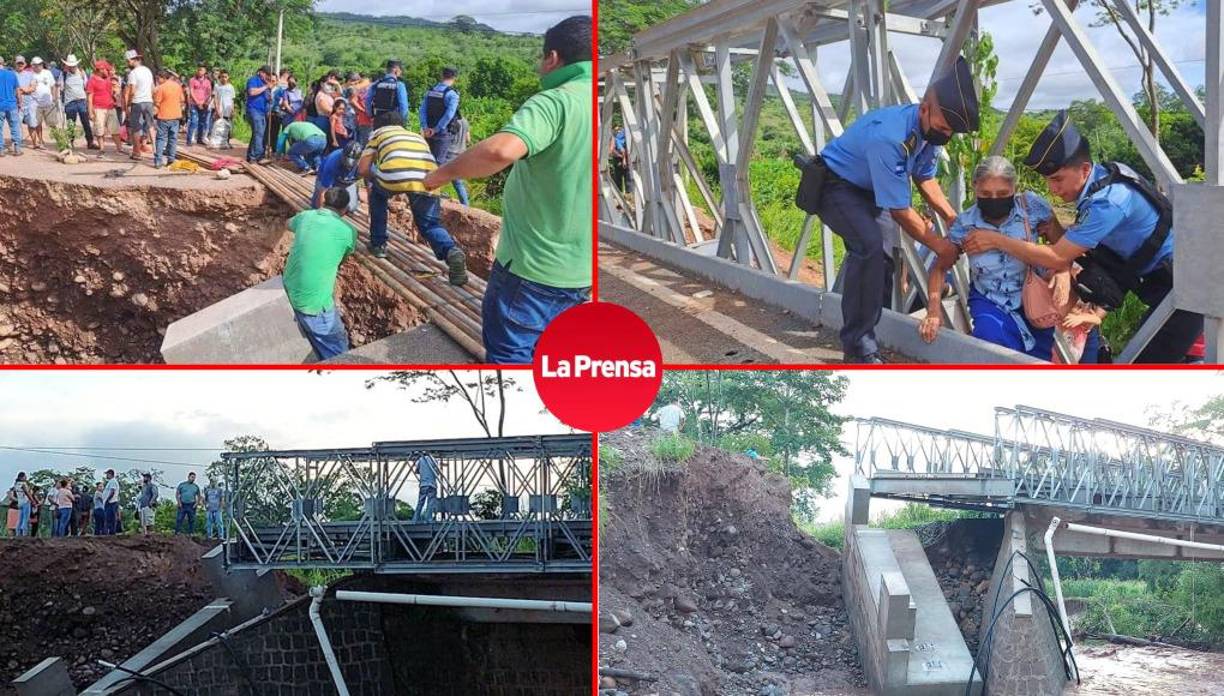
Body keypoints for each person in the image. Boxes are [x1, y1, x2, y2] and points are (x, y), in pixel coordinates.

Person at [963, 110, 1204, 363]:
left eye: (1058, 179)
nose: (1053, 189)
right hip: (1164, 283)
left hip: (1186, 285)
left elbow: (1057, 255)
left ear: (1085, 169)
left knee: (1148, 363)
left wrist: (996, 240)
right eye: (1048, 181)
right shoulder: (1102, 183)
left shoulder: (1108, 202)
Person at [424, 15, 593, 363]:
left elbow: (500, 150)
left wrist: (439, 175)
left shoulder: (557, 101)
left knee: (511, 358)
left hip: (531, 271)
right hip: (580, 275)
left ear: (553, 58)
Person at [800, 57, 978, 363]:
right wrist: (940, 246)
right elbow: (899, 210)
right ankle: (858, 348)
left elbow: (925, 177)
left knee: (882, 257)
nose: (945, 135)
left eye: (950, 132)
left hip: (870, 189)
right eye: (943, 127)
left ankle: (873, 326)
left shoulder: (930, 133)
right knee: (868, 246)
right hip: (835, 185)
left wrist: (952, 217)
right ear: (924, 108)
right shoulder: (891, 138)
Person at [918, 156, 1097, 362]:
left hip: (1033, 302)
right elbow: (940, 268)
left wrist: (1064, 271)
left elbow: (1062, 248)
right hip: (989, 300)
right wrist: (933, 310)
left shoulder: (1031, 208)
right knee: (990, 353)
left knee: (1034, 362)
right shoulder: (965, 225)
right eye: (986, 194)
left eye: (1003, 194)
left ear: (1015, 187)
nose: (994, 199)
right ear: (974, 187)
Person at [358, 110, 468, 285]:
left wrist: (376, 177)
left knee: (378, 197)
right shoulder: (415, 136)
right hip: (429, 177)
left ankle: (378, 244)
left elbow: (363, 168)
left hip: (393, 174)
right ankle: (451, 251)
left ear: (378, 124)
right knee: (430, 224)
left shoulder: (378, 133)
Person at [283, 187, 358, 359]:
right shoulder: (349, 231)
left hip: (289, 293)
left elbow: (288, 224)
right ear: (345, 210)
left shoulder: (305, 216)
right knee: (339, 355)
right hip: (314, 307)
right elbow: (342, 259)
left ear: (323, 202)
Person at [419, 67, 466, 204]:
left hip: (428, 132)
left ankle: (422, 191)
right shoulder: (452, 94)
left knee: (427, 161)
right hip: (442, 134)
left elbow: (422, 110)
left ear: (442, 75)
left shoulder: (431, 91)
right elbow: (449, 115)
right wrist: (437, 129)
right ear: (455, 77)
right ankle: (431, 196)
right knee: (438, 164)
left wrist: (426, 127)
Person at [312, 140, 362, 214]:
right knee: (316, 206)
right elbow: (324, 191)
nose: (348, 165)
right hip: (328, 179)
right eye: (346, 160)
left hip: (347, 182)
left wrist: (371, 213)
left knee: (351, 208)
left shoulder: (365, 164)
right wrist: (322, 215)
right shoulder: (332, 161)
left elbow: (370, 188)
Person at [123, 49, 154, 161]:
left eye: (128, 61)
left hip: (137, 102)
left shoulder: (133, 73)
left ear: (133, 60)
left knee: (135, 128)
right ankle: (156, 152)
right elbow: (152, 88)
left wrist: (129, 104)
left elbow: (132, 90)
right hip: (148, 101)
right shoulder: (148, 71)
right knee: (150, 126)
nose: (127, 63)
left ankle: (136, 152)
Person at [86, 60, 121, 156]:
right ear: (100, 69)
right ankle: (102, 149)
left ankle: (119, 148)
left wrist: (116, 90)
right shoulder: (92, 81)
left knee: (115, 129)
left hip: (110, 107)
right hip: (98, 108)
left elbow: (116, 90)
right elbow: (90, 97)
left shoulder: (109, 79)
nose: (108, 71)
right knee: (99, 129)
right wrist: (90, 111)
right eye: (106, 69)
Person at [60, 55, 94, 149]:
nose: (72, 67)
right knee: (71, 124)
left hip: (81, 101)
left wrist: (88, 101)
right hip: (70, 102)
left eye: (73, 65)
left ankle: (90, 142)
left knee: (86, 123)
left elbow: (87, 87)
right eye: (70, 65)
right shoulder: (63, 75)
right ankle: (70, 143)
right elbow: (60, 87)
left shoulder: (82, 73)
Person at [152, 69, 184, 168]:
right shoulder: (177, 86)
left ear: (162, 78)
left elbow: (157, 103)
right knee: (173, 139)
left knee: (161, 139)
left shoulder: (161, 88)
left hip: (163, 116)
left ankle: (158, 161)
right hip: (176, 116)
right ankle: (171, 159)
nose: (157, 80)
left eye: (158, 78)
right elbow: (182, 100)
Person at [245, 65, 275, 163]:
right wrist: (266, 86)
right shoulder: (253, 80)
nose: (267, 77)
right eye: (266, 74)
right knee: (259, 133)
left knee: (257, 134)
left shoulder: (264, 83)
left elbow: (267, 98)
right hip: (254, 110)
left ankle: (251, 155)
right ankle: (257, 156)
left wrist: (270, 98)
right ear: (261, 72)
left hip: (262, 112)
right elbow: (252, 92)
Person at [25, 57, 57, 149]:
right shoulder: (30, 75)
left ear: (42, 64)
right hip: (35, 103)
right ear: (32, 65)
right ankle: (40, 141)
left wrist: (54, 97)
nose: (38, 66)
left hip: (48, 102)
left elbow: (52, 85)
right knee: (37, 124)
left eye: (40, 64)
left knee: (53, 123)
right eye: (36, 65)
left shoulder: (47, 73)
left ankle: (59, 140)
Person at [445, 115, 471, 205]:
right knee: (459, 183)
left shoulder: (449, 120)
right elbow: (468, 139)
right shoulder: (465, 121)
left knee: (437, 176)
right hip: (461, 154)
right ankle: (466, 205)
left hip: (449, 153)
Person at [0, 56, 22, 156]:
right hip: (12, 105)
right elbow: (17, 90)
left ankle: (1, 149)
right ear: (3, 63)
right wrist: (20, 102)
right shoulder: (12, 74)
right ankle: (17, 148)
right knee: (15, 126)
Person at [186, 65, 212, 146]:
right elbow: (191, 91)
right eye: (199, 70)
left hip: (203, 104)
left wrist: (204, 102)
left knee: (202, 122)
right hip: (194, 104)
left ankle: (199, 139)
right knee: (193, 121)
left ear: (205, 72)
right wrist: (197, 102)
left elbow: (209, 92)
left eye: (202, 70)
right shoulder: (192, 80)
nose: (200, 72)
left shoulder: (207, 81)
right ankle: (189, 140)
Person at [211, 69, 236, 149]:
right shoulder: (217, 86)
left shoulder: (231, 87)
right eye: (222, 77)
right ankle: (218, 142)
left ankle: (226, 142)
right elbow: (215, 98)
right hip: (220, 109)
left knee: (227, 126)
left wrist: (232, 110)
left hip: (228, 110)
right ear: (219, 77)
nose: (224, 78)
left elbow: (232, 99)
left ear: (228, 77)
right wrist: (217, 109)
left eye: (225, 77)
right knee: (218, 126)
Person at [413, 453, 439, 522]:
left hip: (423, 485)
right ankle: (428, 519)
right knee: (430, 502)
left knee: (420, 502)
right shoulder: (434, 460)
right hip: (432, 484)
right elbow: (437, 472)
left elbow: (416, 471)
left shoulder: (420, 460)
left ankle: (415, 519)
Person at [349, 72, 373, 147]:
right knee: (366, 144)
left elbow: (352, 101)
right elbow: (352, 101)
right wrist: (362, 111)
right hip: (365, 120)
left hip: (367, 120)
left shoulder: (366, 88)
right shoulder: (358, 89)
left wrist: (360, 111)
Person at [610, 125, 630, 194]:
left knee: (618, 179)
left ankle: (620, 195)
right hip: (624, 157)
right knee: (627, 178)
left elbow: (612, 150)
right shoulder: (625, 136)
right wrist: (623, 158)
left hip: (618, 159)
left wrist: (621, 157)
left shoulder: (614, 137)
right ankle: (629, 194)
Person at [12, 472, 34, 536]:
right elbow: (27, 493)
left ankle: (18, 533)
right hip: (25, 501)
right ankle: (24, 534)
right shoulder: (23, 484)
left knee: (20, 519)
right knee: (25, 519)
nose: (26, 477)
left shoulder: (16, 484)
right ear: (22, 477)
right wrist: (32, 500)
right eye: (25, 476)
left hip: (20, 502)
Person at [102, 468, 120, 535]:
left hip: (111, 503)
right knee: (108, 518)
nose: (106, 475)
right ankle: (110, 531)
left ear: (110, 474)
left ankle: (111, 532)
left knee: (110, 518)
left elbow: (112, 491)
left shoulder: (113, 481)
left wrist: (107, 500)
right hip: (110, 502)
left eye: (107, 474)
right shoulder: (111, 481)